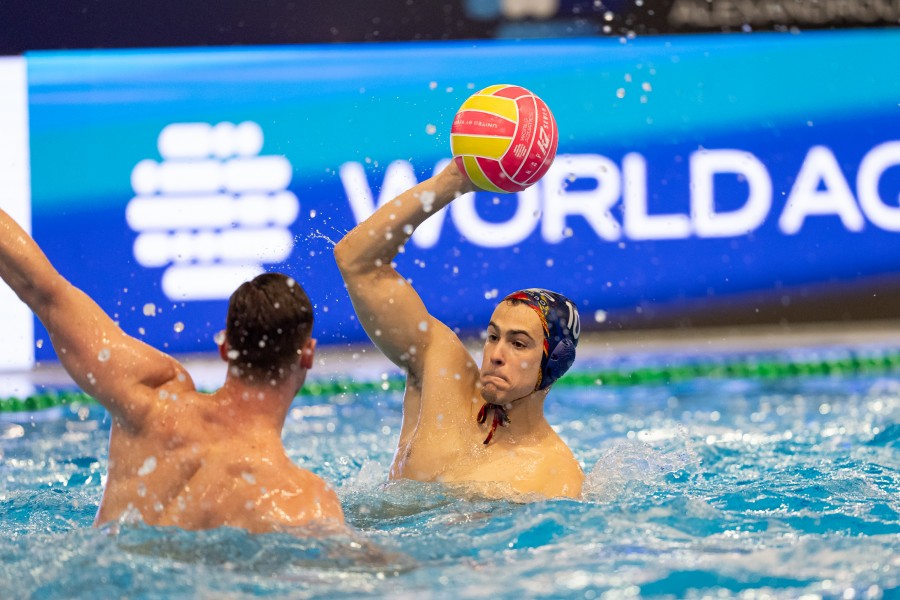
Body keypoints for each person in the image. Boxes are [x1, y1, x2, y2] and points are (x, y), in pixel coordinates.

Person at [0, 207, 345, 534]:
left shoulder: (152, 395)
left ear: (225, 346)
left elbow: (43, 291)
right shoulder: (300, 500)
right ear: (307, 354)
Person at [334, 160, 584, 499]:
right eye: (493, 336)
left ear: (554, 362)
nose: (496, 355)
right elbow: (356, 262)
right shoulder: (441, 370)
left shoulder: (554, 478)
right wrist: (453, 181)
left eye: (518, 344)